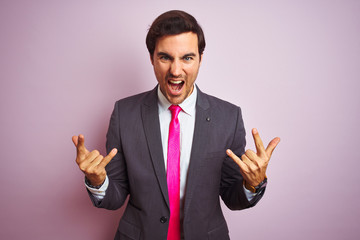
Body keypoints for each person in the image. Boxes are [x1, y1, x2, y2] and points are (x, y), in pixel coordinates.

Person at [72, 10, 280, 240]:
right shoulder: (125, 114)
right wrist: (98, 181)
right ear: (151, 58)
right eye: (165, 57)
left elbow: (233, 198)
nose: (175, 70)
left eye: (187, 58)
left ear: (201, 58)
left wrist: (252, 184)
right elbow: (114, 197)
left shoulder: (228, 117)